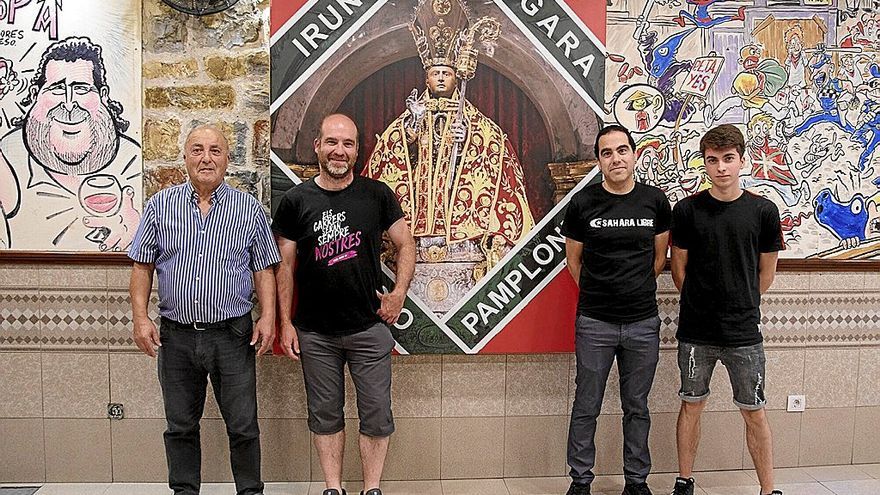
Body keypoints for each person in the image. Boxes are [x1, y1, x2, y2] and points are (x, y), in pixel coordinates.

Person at [128, 125, 280, 495]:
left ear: (228, 159)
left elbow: (263, 269)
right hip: (176, 336)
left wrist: (269, 317)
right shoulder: (159, 207)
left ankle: (250, 491)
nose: (206, 158)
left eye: (215, 150)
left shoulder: (249, 209)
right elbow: (141, 266)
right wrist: (140, 317)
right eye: (197, 150)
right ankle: (184, 492)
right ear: (185, 158)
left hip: (232, 334)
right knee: (180, 425)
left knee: (243, 425)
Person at [274, 114, 416, 495]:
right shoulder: (294, 200)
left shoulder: (377, 194)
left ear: (357, 150)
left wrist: (398, 293)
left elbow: (406, 244)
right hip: (315, 332)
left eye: (348, 144)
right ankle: (332, 488)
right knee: (324, 415)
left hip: (369, 329)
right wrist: (285, 323)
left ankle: (372, 489)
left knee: (376, 415)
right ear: (318, 146)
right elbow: (284, 266)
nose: (340, 150)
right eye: (332, 142)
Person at [362, 0, 532, 312]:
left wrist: (467, 140)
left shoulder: (478, 124)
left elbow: (493, 154)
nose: (441, 78)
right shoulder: (406, 121)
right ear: (425, 78)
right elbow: (393, 158)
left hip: (461, 236)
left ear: (456, 77)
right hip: (415, 228)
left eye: (446, 73)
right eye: (435, 73)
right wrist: (411, 136)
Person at [669, 124, 784, 495]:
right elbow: (678, 268)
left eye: (728, 159)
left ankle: (768, 489)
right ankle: (684, 481)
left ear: (742, 161)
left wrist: (740, 300)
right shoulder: (686, 210)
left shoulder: (764, 211)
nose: (721, 167)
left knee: (755, 411)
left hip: (744, 332)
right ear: (704, 163)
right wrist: (702, 299)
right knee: (691, 406)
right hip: (695, 331)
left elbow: (766, 273)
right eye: (713, 160)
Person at [563, 124, 671, 495]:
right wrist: (600, 292)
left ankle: (636, 480)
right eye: (607, 153)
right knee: (586, 404)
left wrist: (633, 288)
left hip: (642, 322)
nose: (616, 158)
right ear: (599, 162)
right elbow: (573, 261)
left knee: (637, 406)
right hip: (594, 322)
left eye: (622, 150)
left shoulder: (655, 202)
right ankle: (580, 479)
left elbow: (659, 258)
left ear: (635, 154)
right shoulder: (583, 203)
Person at [0, 36, 141, 250]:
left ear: (102, 96)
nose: (68, 103)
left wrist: (139, 233)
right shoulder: (9, 156)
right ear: (36, 95)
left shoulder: (131, 159)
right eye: (56, 88)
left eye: (82, 89)